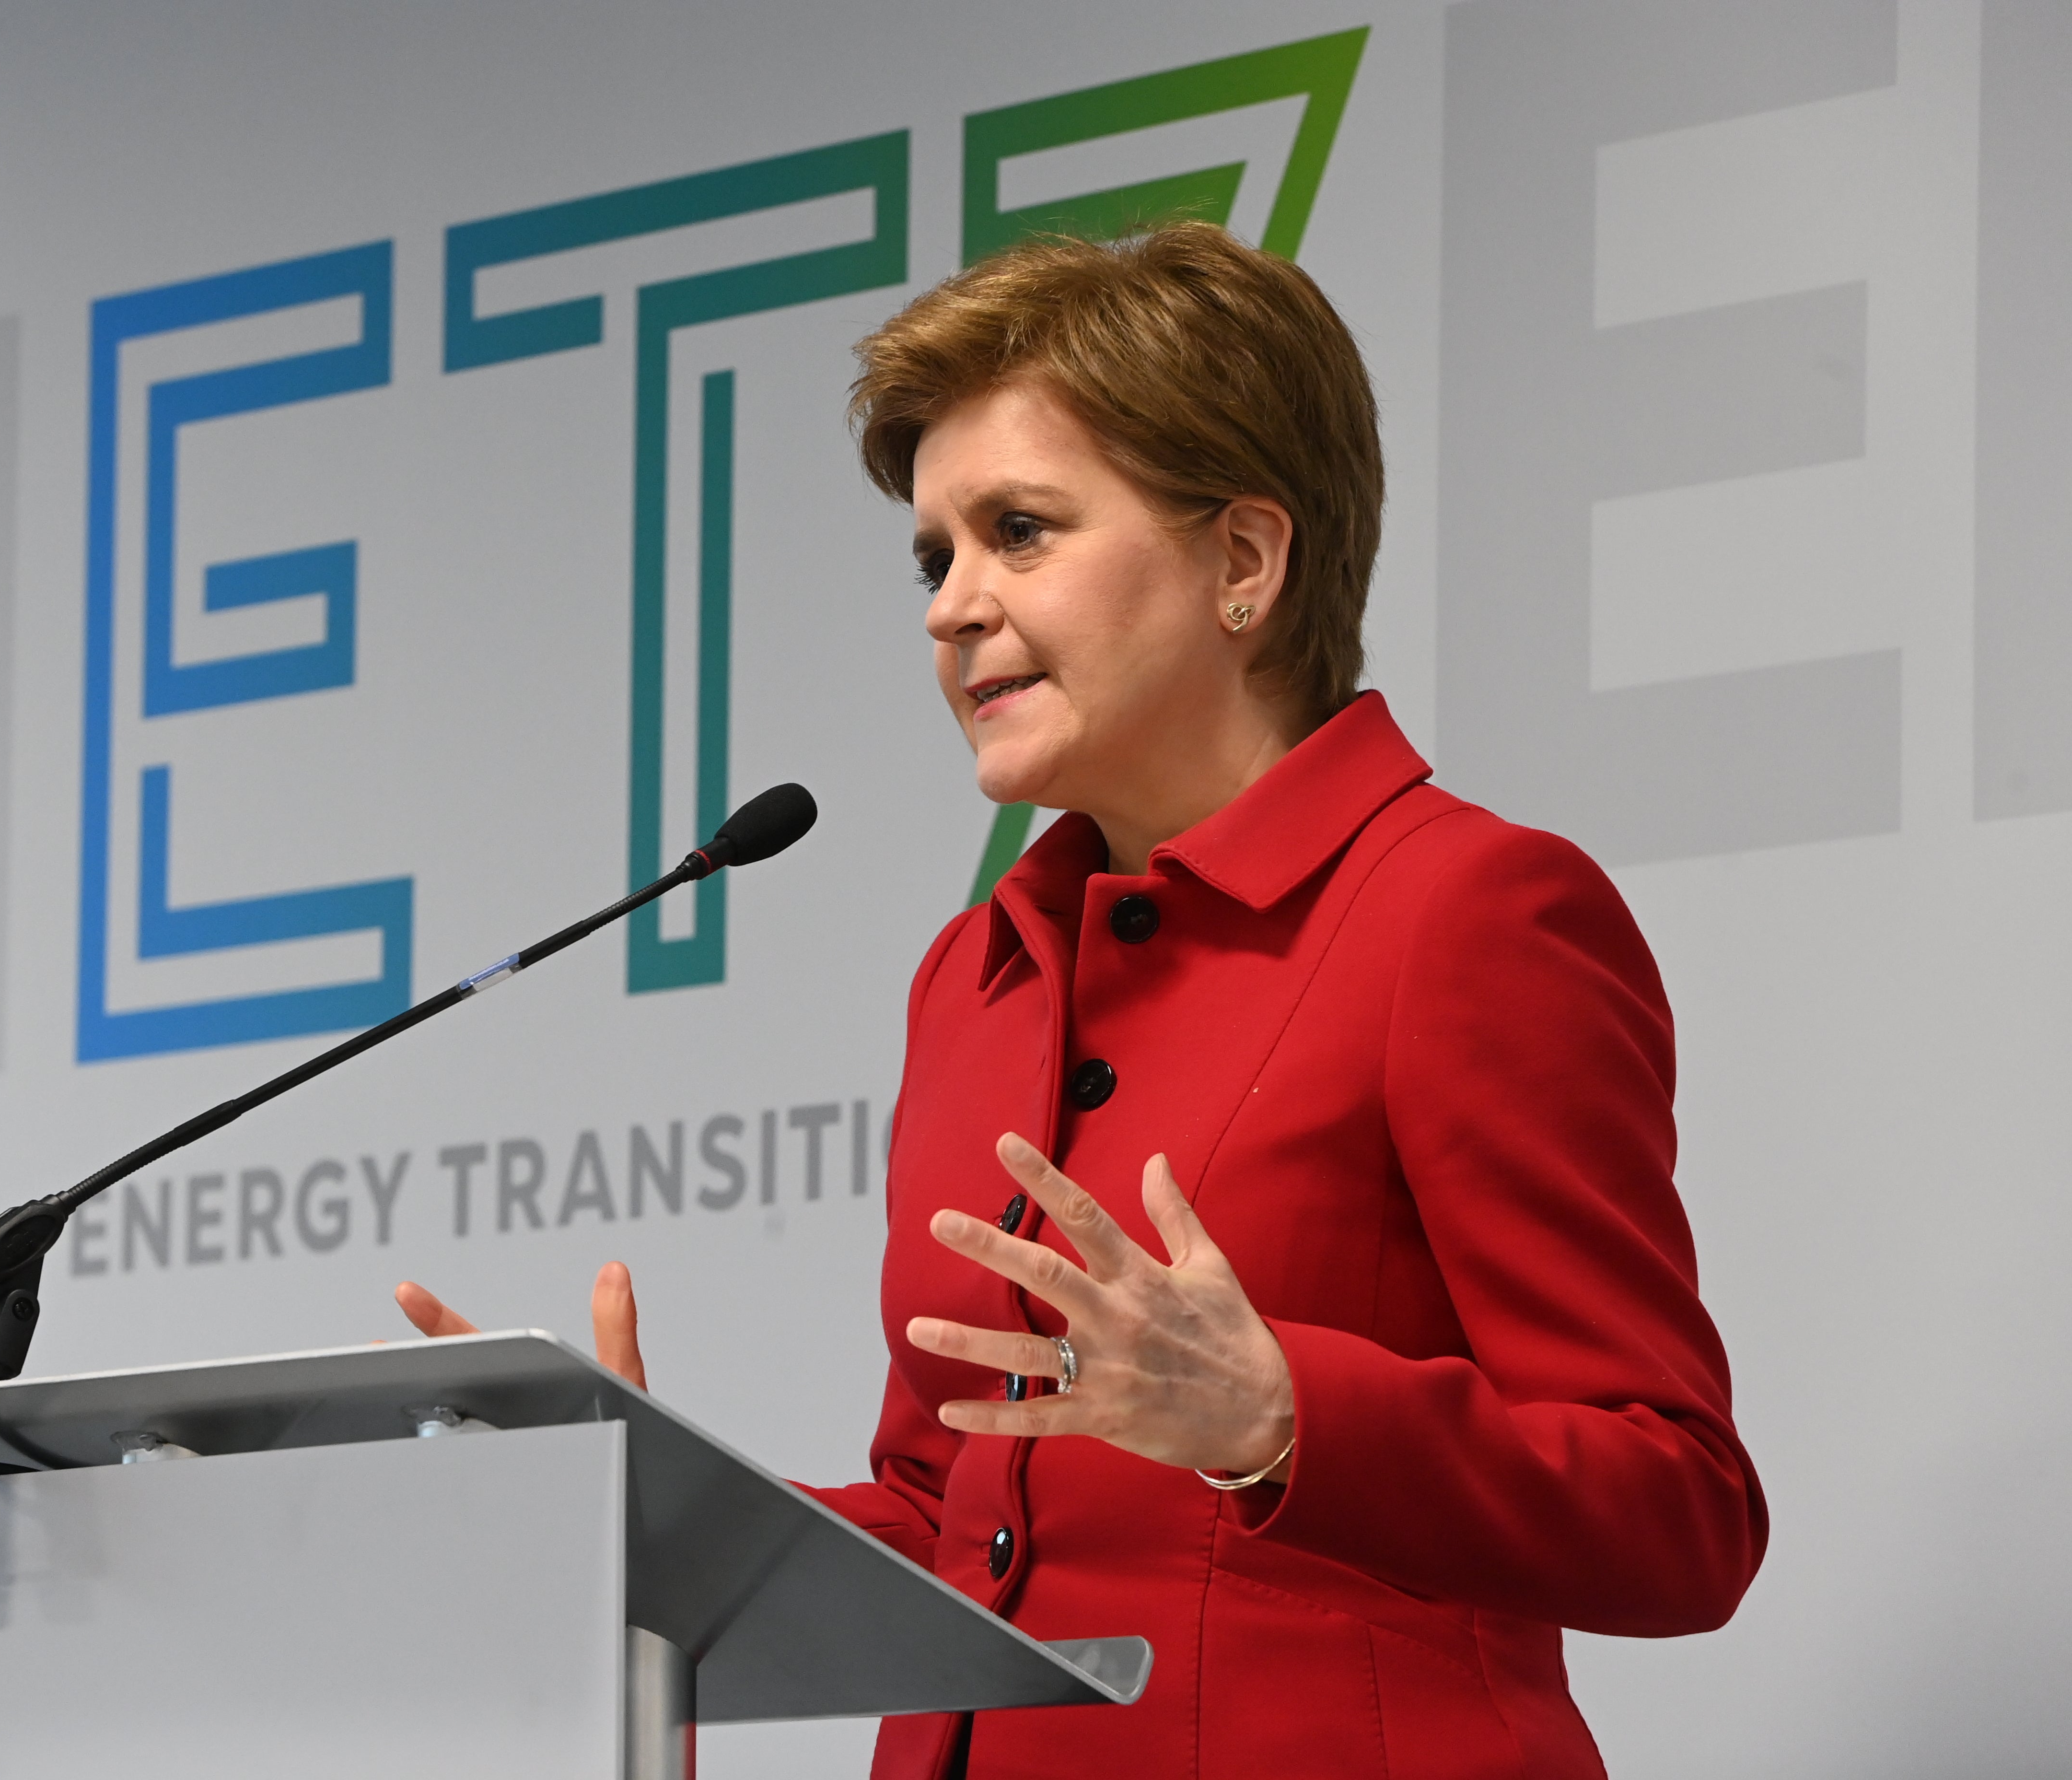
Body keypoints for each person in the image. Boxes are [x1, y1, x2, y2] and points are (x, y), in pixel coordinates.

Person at [399, 221, 1767, 1779]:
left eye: (1021, 532)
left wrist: (1281, 1417)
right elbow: (953, 1517)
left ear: (1243, 560)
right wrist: (652, 1519)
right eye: (936, 555)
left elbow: (1684, 1513)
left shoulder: (1461, 911)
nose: (951, 605)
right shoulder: (975, 975)